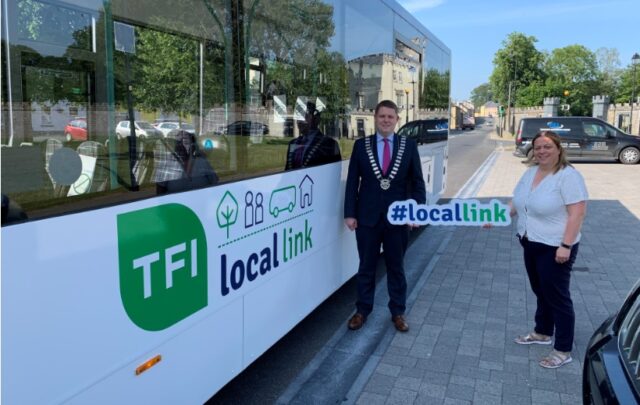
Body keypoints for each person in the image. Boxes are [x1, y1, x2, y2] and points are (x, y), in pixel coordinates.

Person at [344, 100, 426, 332]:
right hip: (367, 218)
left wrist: (417, 210)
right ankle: (362, 311)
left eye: (391, 117)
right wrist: (350, 213)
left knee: (396, 268)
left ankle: (398, 312)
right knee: (366, 267)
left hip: (398, 220)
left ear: (397, 120)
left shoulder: (408, 146)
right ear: (375, 119)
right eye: (382, 116)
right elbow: (352, 182)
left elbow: (417, 182)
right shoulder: (362, 146)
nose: (386, 120)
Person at [510, 131, 588, 368]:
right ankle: (542, 332)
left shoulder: (568, 176)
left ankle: (563, 349)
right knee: (540, 290)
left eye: (547, 147)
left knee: (557, 296)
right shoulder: (530, 172)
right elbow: (516, 201)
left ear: (558, 149)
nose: (542, 151)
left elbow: (577, 213)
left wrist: (566, 245)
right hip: (529, 241)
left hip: (555, 247)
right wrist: (493, 215)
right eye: (538, 147)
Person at [285, 102, 341, 170]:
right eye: (298, 117)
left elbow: (333, 172)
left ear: (316, 119)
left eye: (304, 116)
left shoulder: (329, 144)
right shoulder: (293, 143)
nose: (300, 121)